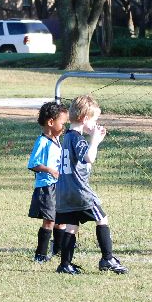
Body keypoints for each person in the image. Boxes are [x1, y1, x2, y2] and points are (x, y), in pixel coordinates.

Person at [53, 94, 128, 275]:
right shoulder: (78, 138)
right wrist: (94, 140)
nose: (95, 124)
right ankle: (107, 258)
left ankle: (65, 264)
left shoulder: (67, 137)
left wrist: (96, 141)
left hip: (64, 191)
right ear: (84, 118)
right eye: (94, 120)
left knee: (72, 226)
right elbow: (89, 158)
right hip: (79, 191)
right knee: (102, 219)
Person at [27, 101, 69, 263]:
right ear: (51, 122)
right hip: (47, 187)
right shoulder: (42, 142)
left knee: (61, 220)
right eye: (62, 123)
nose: (64, 126)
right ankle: (40, 255)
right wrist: (50, 170)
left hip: (59, 186)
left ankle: (58, 250)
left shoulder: (57, 141)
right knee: (49, 220)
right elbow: (33, 164)